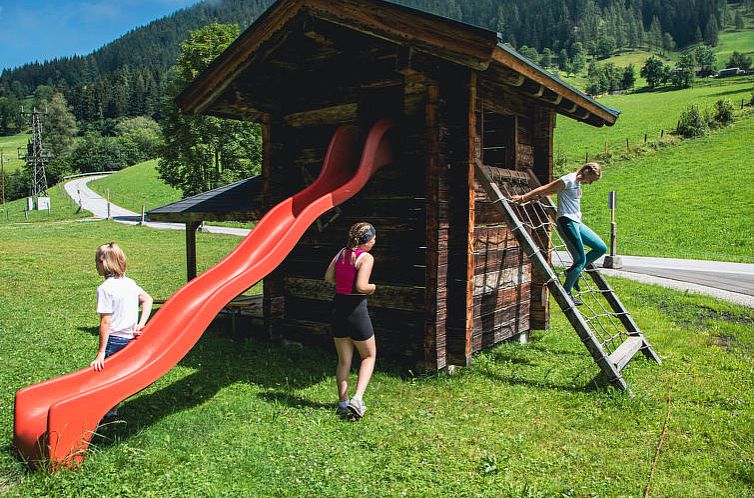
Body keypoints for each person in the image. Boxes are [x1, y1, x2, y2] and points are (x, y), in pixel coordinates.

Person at [511, 162, 607, 306]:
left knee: (601, 248)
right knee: (580, 259)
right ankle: (567, 292)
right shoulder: (568, 180)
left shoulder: (576, 182)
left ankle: (574, 272)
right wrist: (524, 198)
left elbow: (550, 192)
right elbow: (545, 188)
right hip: (567, 222)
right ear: (585, 171)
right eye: (591, 179)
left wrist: (539, 195)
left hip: (577, 222)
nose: (590, 183)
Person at [91, 243, 153, 416]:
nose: (95, 264)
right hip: (130, 340)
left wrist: (101, 352)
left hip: (114, 339)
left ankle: (105, 413)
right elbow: (148, 300)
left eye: (96, 260)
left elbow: (105, 322)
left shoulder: (104, 289)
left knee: (104, 378)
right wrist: (141, 324)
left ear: (103, 263)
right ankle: (113, 410)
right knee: (118, 376)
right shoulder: (130, 283)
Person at [324, 222, 377, 419]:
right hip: (356, 311)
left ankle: (343, 402)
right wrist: (373, 287)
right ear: (365, 241)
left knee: (344, 360)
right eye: (372, 239)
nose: (374, 242)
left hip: (338, 309)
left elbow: (328, 277)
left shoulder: (341, 253)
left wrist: (344, 282)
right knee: (368, 356)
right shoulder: (366, 257)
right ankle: (358, 399)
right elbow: (362, 286)